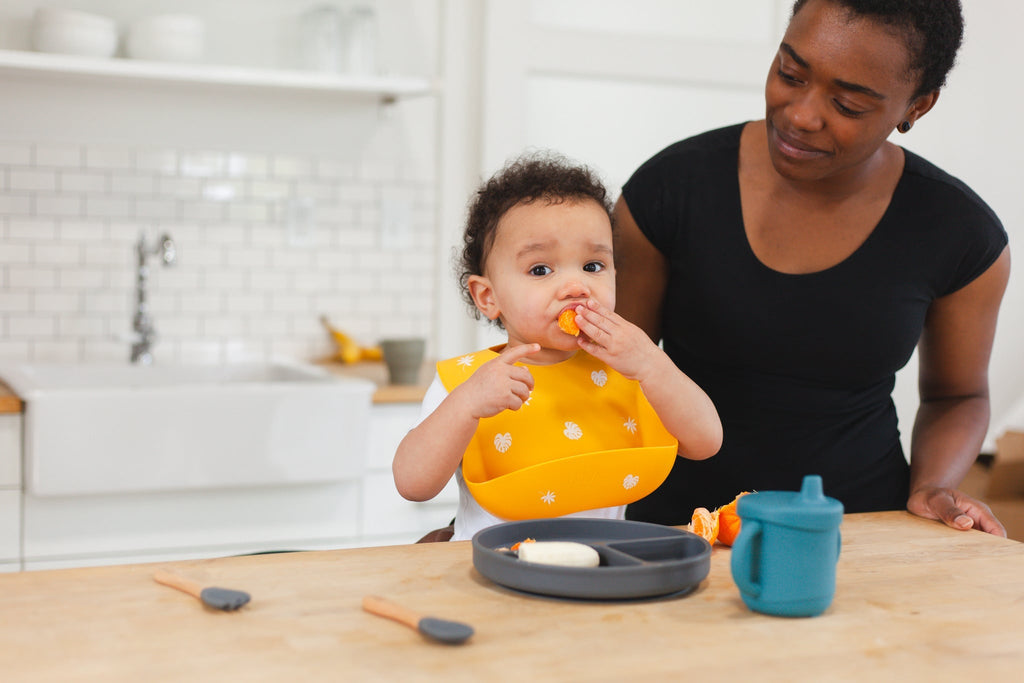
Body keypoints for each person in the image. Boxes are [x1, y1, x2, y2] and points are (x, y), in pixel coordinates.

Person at [615, 0, 1010, 535]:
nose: (801, 114)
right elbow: (609, 373)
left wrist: (932, 486)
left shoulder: (960, 233)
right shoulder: (668, 191)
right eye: (790, 74)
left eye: (847, 105)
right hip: (676, 531)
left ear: (916, 106)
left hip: (860, 533)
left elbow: (957, 395)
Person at [393, 153, 723, 541]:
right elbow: (413, 485)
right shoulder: (471, 382)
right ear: (488, 297)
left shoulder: (630, 369)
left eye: (593, 266)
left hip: (599, 575)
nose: (576, 286)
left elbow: (705, 443)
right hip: (491, 579)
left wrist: (652, 364)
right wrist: (467, 404)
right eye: (540, 270)